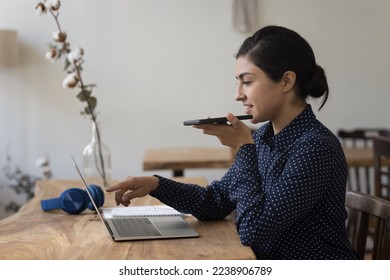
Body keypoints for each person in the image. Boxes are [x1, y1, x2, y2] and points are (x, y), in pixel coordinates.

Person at [107, 25, 359, 260]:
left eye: (247, 82)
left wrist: (244, 147)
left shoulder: (316, 147)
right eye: (237, 82)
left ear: (286, 81)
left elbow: (254, 231)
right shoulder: (263, 137)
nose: (238, 95)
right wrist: (155, 184)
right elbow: (214, 203)